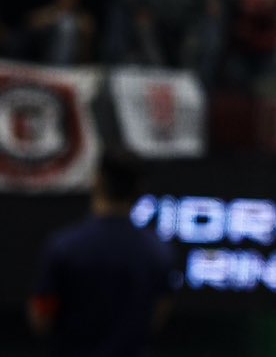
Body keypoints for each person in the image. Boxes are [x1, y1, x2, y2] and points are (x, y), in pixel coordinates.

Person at [28, 153, 177, 357]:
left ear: (97, 181)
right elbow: (157, 315)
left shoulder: (64, 247)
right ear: (140, 190)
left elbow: (41, 320)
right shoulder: (158, 252)